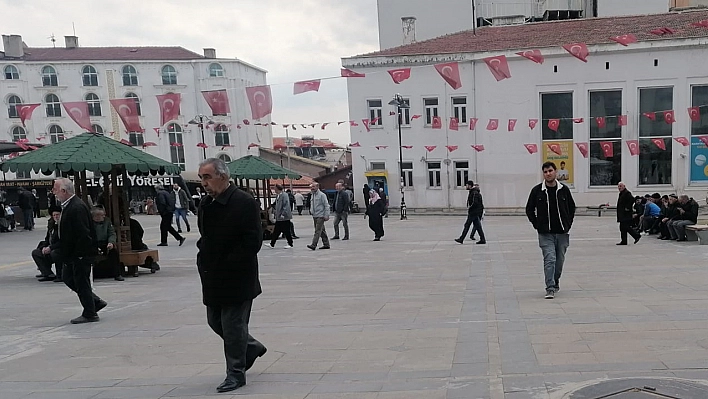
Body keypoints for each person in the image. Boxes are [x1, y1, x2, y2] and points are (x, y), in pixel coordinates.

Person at [196, 158, 267, 393]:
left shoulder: (244, 202)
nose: (204, 183)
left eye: (207, 177)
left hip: (237, 276)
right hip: (213, 276)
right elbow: (205, 237)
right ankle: (251, 347)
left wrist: (230, 262)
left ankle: (236, 373)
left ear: (223, 176)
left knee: (233, 326)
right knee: (215, 321)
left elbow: (252, 241)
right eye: (201, 178)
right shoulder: (206, 204)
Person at [52, 178, 107, 324]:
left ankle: (90, 312)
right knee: (68, 277)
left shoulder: (76, 207)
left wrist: (81, 254)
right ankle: (94, 302)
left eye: (55, 189)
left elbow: (84, 234)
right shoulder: (68, 206)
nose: (54, 192)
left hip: (81, 254)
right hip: (72, 253)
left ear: (64, 191)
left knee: (81, 282)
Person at [525, 162, 576, 300]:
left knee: (559, 261)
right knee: (550, 259)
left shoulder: (563, 190)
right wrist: (537, 225)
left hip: (562, 233)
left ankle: (555, 280)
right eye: (545, 171)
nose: (548, 173)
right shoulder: (537, 191)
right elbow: (529, 209)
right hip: (545, 233)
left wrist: (568, 224)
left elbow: (572, 208)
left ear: (556, 172)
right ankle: (550, 287)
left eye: (550, 171)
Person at [31, 206, 63, 282]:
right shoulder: (52, 225)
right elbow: (47, 239)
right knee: (36, 252)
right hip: (51, 247)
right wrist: (44, 247)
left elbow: (63, 241)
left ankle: (60, 275)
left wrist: (51, 248)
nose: (56, 217)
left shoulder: (63, 225)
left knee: (55, 253)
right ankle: (47, 273)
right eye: (54, 215)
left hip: (60, 248)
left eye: (57, 215)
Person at [91, 206, 124, 281]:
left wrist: (111, 242)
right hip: (94, 243)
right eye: (102, 215)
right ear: (96, 216)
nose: (104, 216)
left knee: (114, 252)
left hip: (105, 243)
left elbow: (111, 233)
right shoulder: (89, 223)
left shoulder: (107, 221)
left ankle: (117, 274)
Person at [455, 180, 486, 244]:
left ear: (469, 185)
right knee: (478, 226)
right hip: (474, 212)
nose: (466, 186)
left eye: (466, 185)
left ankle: (461, 239)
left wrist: (470, 208)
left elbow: (475, 203)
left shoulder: (474, 193)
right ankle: (482, 239)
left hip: (473, 212)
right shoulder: (473, 192)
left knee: (467, 225)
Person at [267, 184, 293, 249]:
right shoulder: (278, 196)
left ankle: (290, 243)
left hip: (284, 217)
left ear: (277, 188)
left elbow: (286, 205)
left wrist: (283, 214)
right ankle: (272, 243)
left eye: (274, 188)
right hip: (279, 217)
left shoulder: (284, 195)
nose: (274, 189)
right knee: (277, 230)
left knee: (286, 230)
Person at [307, 182, 330, 250]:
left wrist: (326, 215)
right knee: (322, 230)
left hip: (321, 215)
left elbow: (326, 205)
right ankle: (326, 244)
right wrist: (311, 211)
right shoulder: (312, 195)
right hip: (314, 215)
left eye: (313, 187)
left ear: (317, 187)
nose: (312, 188)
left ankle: (314, 244)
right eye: (311, 187)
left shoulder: (322, 195)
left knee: (317, 230)